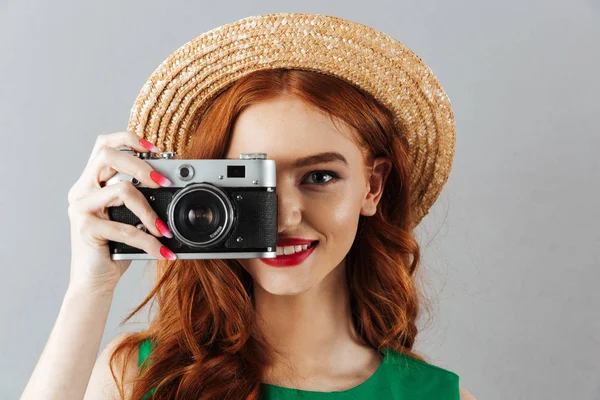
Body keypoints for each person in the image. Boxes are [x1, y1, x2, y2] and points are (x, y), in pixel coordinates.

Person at [21, 13, 476, 400]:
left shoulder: (439, 395)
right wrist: (89, 290)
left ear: (373, 187)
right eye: (252, 185)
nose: (285, 215)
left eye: (320, 177)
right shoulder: (137, 376)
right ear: (205, 192)